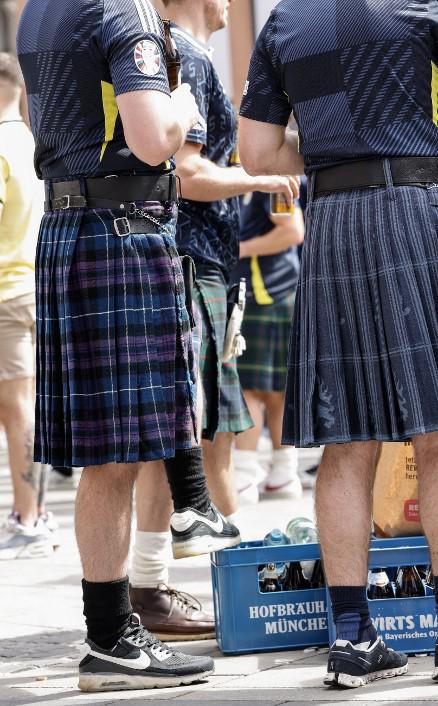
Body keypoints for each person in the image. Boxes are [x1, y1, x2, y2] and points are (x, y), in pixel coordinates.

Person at [237, 0, 438, 687]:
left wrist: (338, 149)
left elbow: (256, 153)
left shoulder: (284, 19)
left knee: (348, 438)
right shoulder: (428, 5)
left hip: (333, 219)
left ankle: (351, 639)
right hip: (417, 210)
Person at [17, 0, 241, 691]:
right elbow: (152, 140)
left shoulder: (38, 12)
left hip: (69, 224)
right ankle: (113, 641)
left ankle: (113, 633)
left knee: (107, 456)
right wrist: (179, 99)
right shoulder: (125, 11)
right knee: (118, 454)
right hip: (123, 228)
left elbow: (33, 116)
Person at [127, 0, 299, 643]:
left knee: (193, 430)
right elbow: (190, 174)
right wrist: (259, 178)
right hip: (193, 258)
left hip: (197, 260)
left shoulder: (178, 50)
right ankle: (234, 593)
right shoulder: (185, 53)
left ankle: (155, 586)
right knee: (207, 431)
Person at [0, 53, 52, 560]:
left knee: (18, 410)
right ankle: (31, 513)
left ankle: (29, 516)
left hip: (6, 293)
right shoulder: (32, 145)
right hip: (34, 287)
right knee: (25, 407)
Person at [231, 191, 305, 500]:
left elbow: (293, 231)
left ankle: (247, 475)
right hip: (270, 292)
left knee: (250, 389)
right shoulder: (261, 180)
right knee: (275, 390)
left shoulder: (270, 182)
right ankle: (283, 474)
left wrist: (238, 249)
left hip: (266, 293)